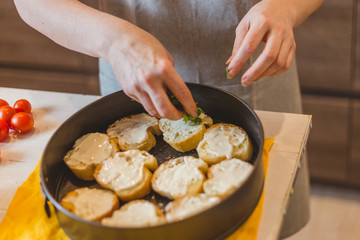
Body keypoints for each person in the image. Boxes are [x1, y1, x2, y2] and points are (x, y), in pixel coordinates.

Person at [14, 0, 323, 238]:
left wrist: (285, 7)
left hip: (256, 69)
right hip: (128, 76)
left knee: (258, 224)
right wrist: (114, 41)